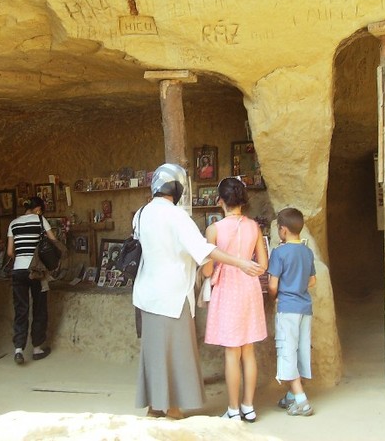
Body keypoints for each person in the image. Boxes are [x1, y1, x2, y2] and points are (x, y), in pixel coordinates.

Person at [132, 163, 265, 420]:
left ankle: (154, 406)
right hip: (173, 293)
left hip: (147, 293)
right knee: (176, 352)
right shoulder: (176, 215)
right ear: (178, 187)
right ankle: (172, 408)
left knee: (155, 352)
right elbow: (204, 250)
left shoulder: (141, 213)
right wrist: (240, 262)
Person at [203, 177, 268, 422]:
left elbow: (208, 270)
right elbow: (263, 264)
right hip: (249, 287)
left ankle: (232, 410)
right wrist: (247, 268)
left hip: (227, 289)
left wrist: (210, 270)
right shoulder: (254, 227)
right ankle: (248, 407)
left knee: (232, 352)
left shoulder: (214, 229)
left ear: (220, 200)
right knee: (248, 350)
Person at [267, 207, 316, 417]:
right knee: (300, 350)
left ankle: (301, 400)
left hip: (287, 308)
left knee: (287, 350)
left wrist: (274, 296)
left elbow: (272, 285)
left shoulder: (279, 252)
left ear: (283, 230)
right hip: (305, 308)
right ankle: (290, 396)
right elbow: (312, 280)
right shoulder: (307, 251)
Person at [6, 196, 55, 365]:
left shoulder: (13, 223)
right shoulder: (41, 220)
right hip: (37, 271)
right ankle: (37, 349)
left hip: (18, 271)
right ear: (39, 209)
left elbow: (10, 252)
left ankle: (18, 349)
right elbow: (53, 242)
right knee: (39, 308)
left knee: (21, 309)